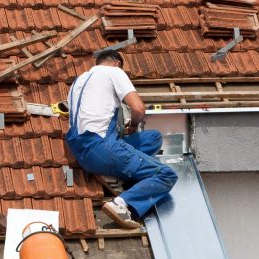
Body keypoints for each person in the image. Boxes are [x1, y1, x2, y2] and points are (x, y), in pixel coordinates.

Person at [64, 49, 177, 228]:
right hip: (103, 149)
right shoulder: (115, 72)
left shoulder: (78, 81)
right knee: (166, 174)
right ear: (117, 63)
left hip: (81, 150)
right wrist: (133, 124)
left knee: (152, 138)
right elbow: (138, 108)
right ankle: (120, 204)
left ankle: (115, 172)